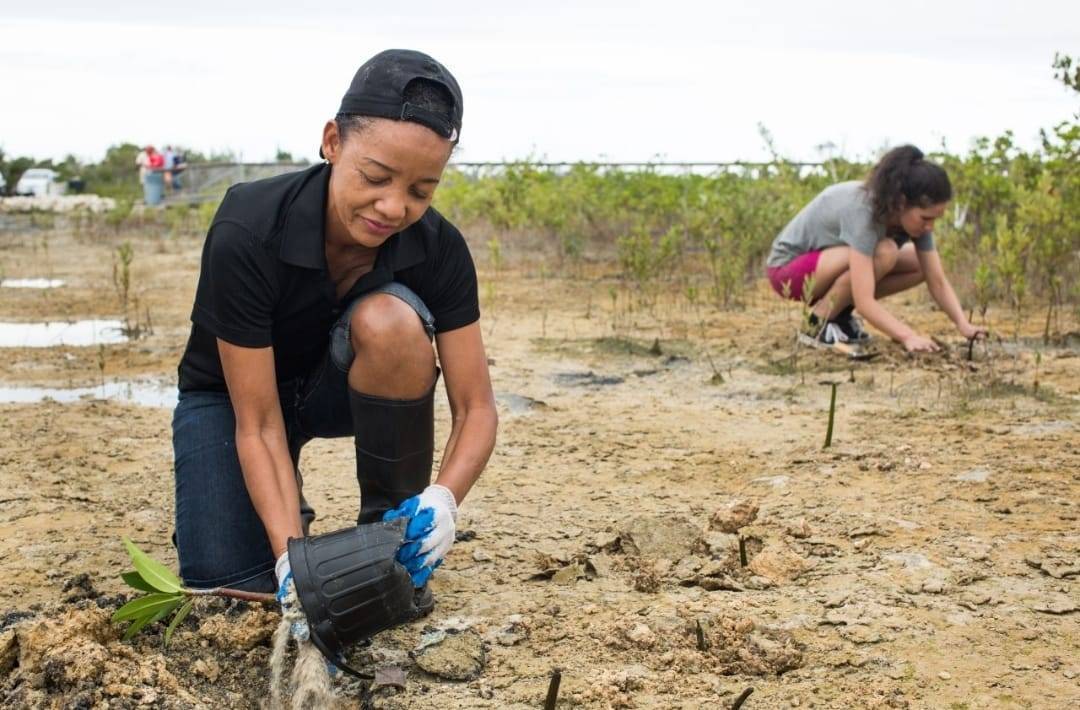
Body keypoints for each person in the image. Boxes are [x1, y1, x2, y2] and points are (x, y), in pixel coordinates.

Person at [171, 50, 498, 632]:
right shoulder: (247, 227)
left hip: (340, 387)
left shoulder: (440, 248)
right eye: (375, 177)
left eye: (421, 190)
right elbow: (259, 423)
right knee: (225, 585)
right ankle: (279, 514)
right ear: (331, 142)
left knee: (392, 321)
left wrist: (443, 501)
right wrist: (294, 564)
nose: (394, 208)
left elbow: (477, 408)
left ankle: (387, 544)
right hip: (234, 402)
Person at [764, 145, 987, 353]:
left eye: (935, 219)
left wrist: (963, 324)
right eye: (925, 218)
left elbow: (936, 279)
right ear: (901, 203)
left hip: (826, 265)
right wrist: (907, 336)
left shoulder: (914, 223)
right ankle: (816, 324)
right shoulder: (863, 210)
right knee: (885, 251)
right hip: (788, 271)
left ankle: (839, 315)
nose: (930, 227)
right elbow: (864, 301)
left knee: (917, 263)